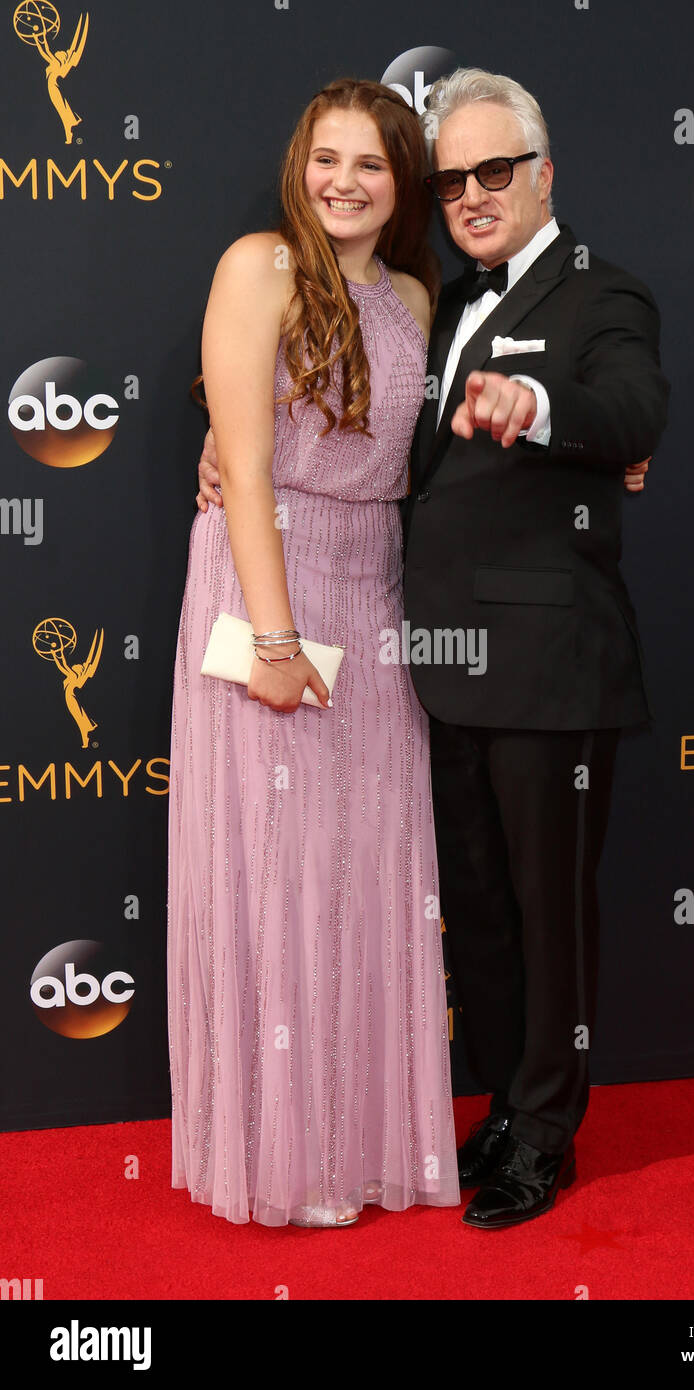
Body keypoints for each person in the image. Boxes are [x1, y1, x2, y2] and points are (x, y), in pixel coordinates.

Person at [197, 68, 667, 1232]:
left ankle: (542, 1138)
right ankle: (493, 1112)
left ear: (540, 173)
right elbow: (320, 429)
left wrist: (555, 418)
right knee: (475, 913)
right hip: (423, 658)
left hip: (544, 664)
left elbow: (630, 407)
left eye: (490, 171)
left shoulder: (601, 293)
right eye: (452, 175)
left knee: (543, 916)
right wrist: (216, 445)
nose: (469, 192)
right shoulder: (436, 301)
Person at [168, 77, 461, 1228]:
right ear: (300, 165)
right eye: (325, 159)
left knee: (365, 869)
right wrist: (278, 636)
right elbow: (241, 463)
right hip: (265, 577)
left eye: (371, 165)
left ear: (402, 187)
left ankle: (358, 1143)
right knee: (275, 868)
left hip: (376, 588)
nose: (343, 181)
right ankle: (281, 1160)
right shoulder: (259, 266)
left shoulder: (410, 299)